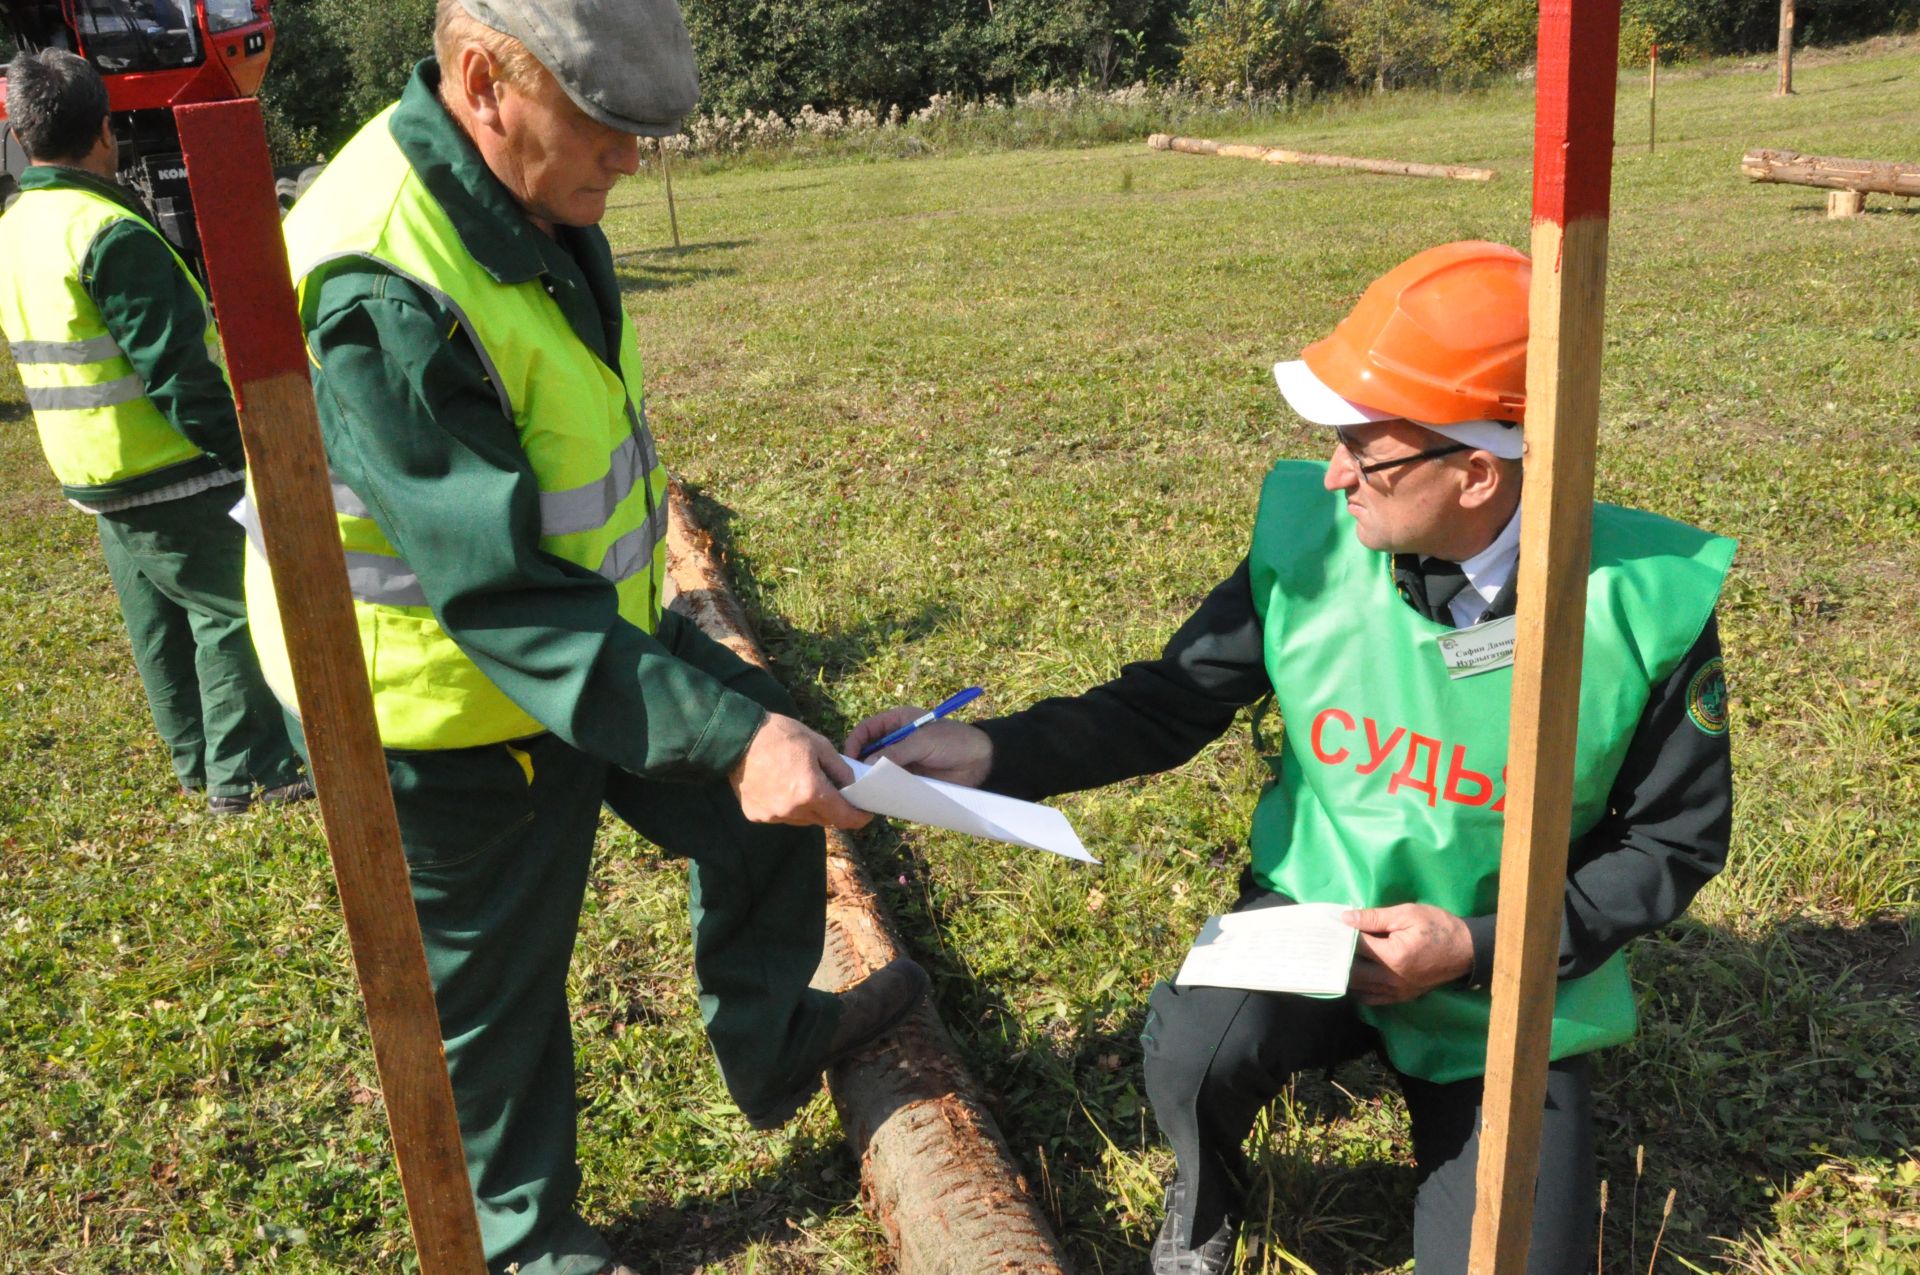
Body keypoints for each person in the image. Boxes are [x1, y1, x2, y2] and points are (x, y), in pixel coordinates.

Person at [849, 241, 1734, 1274]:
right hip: (1311, 920)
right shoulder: (1316, 540)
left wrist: (1477, 944)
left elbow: (1675, 840)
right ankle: (1206, 1190)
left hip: (1501, 970)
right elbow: (1170, 700)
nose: (1334, 473)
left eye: (1368, 448)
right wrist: (996, 747)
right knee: (1190, 1053)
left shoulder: (1641, 607)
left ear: (1479, 471)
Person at [240, 2, 927, 1271]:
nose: (630, 156)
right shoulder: (383, 291)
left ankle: (776, 1042)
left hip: (591, 639)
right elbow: (494, 598)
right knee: (498, 1009)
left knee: (773, 799)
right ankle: (529, 1243)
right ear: (482, 79)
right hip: (449, 711)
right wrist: (721, 730)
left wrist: (739, 733)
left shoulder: (525, 192)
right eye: (606, 124)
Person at [0, 49, 308, 815]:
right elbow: (178, 373)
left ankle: (196, 761)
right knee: (231, 608)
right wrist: (248, 455)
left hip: (93, 472)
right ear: (105, 133)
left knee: (159, 619)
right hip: (167, 465)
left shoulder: (16, 227)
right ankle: (251, 774)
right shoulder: (108, 231)